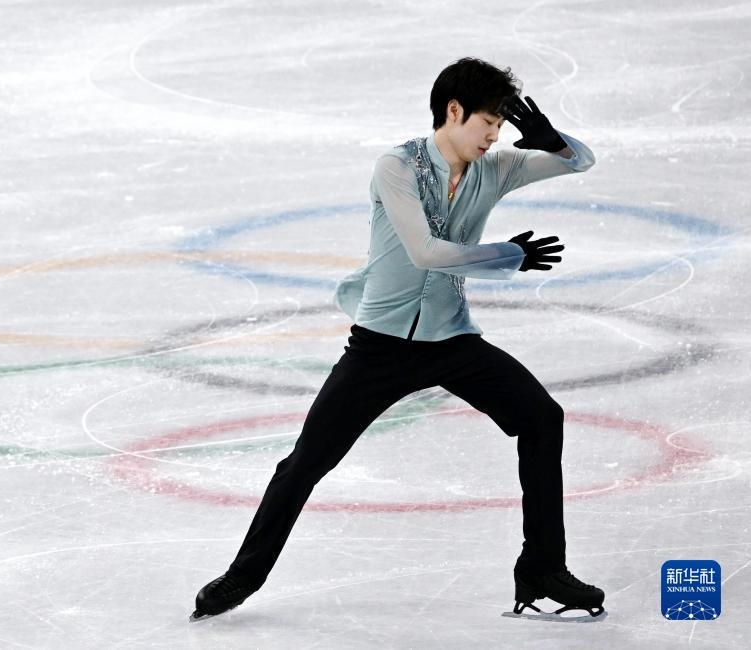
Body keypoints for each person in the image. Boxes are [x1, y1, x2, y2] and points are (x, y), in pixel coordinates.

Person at [191, 57, 605, 623]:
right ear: (454, 111)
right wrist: (510, 255)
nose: (494, 136)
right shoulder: (398, 166)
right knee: (306, 462)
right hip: (381, 347)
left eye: (500, 126)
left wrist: (553, 142)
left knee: (541, 418)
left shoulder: (495, 168)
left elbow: (581, 162)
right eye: (488, 122)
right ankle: (244, 576)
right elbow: (426, 253)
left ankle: (542, 568)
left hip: (452, 340)